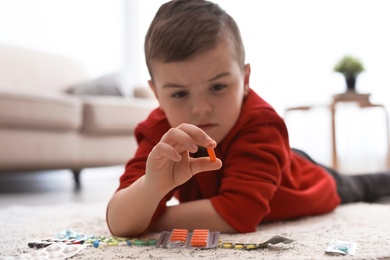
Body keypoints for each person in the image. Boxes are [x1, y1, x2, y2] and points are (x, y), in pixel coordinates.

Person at [106, 0, 390, 237]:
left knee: (363, 186)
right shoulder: (161, 132)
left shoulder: (260, 122)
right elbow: (120, 221)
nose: (201, 108)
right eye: (180, 94)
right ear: (156, 94)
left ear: (245, 79)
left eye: (218, 87)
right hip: (270, 158)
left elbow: (237, 215)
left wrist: (152, 219)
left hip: (305, 179)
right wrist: (151, 188)